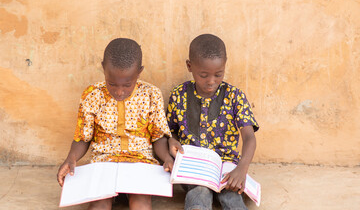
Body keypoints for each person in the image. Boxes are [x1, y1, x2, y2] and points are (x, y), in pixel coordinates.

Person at [57, 38, 174, 210]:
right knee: (99, 203)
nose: (119, 91)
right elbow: (83, 137)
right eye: (112, 84)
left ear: (139, 72)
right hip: (104, 161)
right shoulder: (92, 95)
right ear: (104, 68)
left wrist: (167, 159)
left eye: (127, 85)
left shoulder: (151, 95)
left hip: (140, 162)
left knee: (141, 202)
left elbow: (158, 137)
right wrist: (71, 158)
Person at [167, 34, 259, 210]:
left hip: (227, 166)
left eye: (218, 74)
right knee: (198, 192)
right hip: (194, 166)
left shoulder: (234, 96)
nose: (211, 81)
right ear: (189, 66)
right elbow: (170, 131)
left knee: (232, 194)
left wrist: (241, 169)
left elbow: (249, 137)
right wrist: (172, 140)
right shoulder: (179, 95)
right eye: (203, 75)